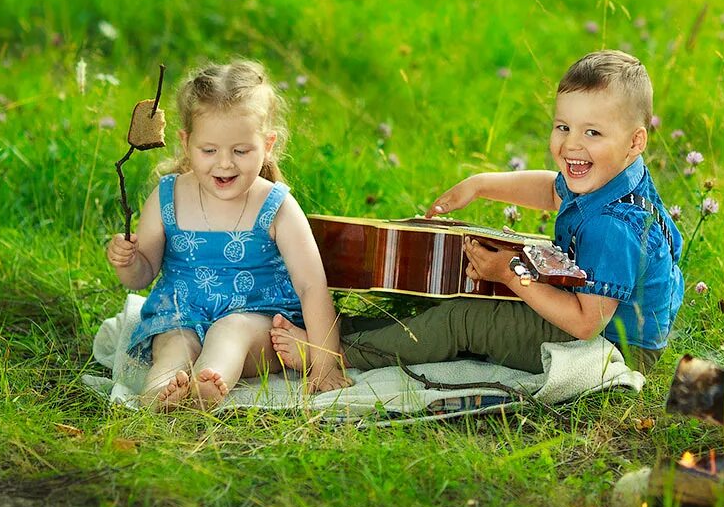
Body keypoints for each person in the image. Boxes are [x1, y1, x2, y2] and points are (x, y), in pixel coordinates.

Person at [270, 49, 683, 375]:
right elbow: (550, 189)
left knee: (463, 318)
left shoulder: (614, 227)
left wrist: (511, 275)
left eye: (592, 132)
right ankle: (338, 330)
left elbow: (584, 323)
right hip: (592, 315)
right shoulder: (610, 176)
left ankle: (336, 354)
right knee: (458, 296)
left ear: (635, 142)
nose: (572, 144)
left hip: (613, 349)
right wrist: (481, 184)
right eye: (563, 127)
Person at [106, 60, 348, 410]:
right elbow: (142, 274)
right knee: (175, 344)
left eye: (241, 151)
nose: (224, 164)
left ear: (267, 144)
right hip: (181, 313)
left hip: (257, 321)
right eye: (209, 151)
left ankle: (209, 382)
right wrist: (128, 261)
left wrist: (324, 364)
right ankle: (159, 392)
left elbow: (312, 285)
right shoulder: (167, 196)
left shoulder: (276, 204)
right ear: (186, 143)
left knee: (230, 330)